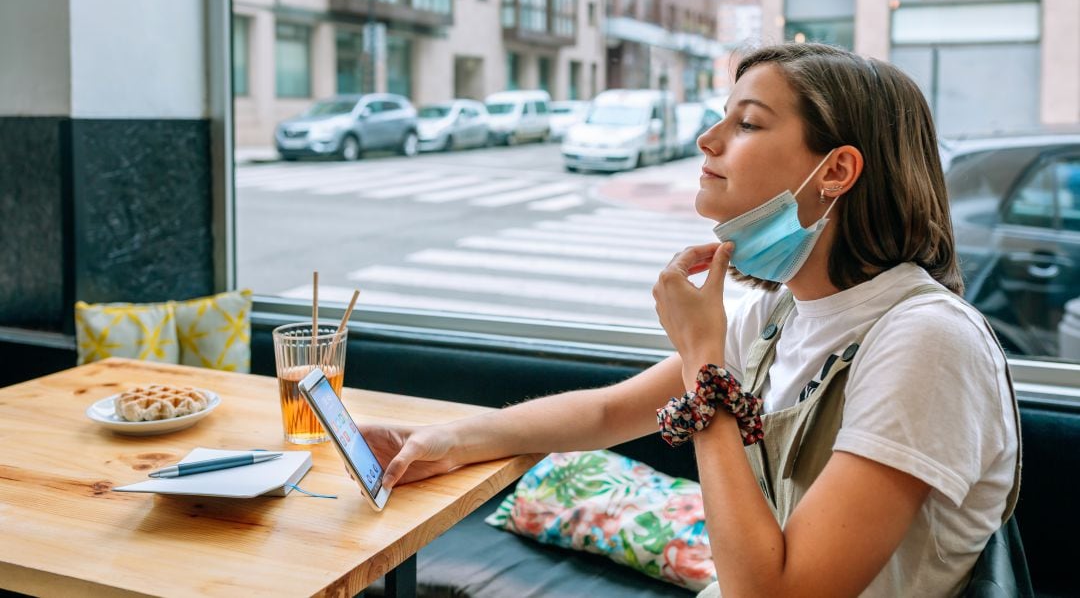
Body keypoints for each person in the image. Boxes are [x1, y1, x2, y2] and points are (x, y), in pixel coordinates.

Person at [358, 43, 1021, 597]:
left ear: (837, 170)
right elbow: (608, 413)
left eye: (749, 123)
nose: (707, 139)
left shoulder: (925, 342)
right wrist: (449, 439)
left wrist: (705, 362)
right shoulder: (783, 311)